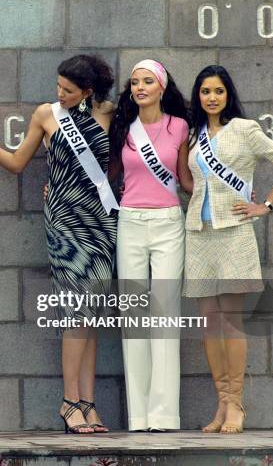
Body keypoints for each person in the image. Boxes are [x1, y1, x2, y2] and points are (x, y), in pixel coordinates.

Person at [0, 55, 119, 434]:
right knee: (75, 311)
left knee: (93, 313)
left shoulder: (110, 113)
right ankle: (69, 402)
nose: (60, 94)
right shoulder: (46, 115)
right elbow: (18, 162)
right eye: (58, 86)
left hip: (100, 221)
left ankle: (88, 401)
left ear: (88, 91)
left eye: (68, 90)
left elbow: (118, 163)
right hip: (64, 223)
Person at [185, 65, 273, 434]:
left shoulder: (245, 129)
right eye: (205, 91)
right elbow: (188, 181)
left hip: (235, 234)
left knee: (232, 322)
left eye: (218, 91)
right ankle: (221, 404)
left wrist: (266, 205)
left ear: (228, 94)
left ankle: (236, 404)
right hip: (200, 234)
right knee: (210, 324)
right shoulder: (194, 135)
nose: (211, 97)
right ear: (199, 95)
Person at [108, 59, 193, 432]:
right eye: (134, 82)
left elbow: (187, 178)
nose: (139, 87)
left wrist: (226, 195)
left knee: (164, 315)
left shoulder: (180, 127)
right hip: (130, 222)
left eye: (147, 81)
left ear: (161, 86)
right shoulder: (124, 128)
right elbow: (110, 174)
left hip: (168, 223)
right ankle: (139, 416)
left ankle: (164, 415)